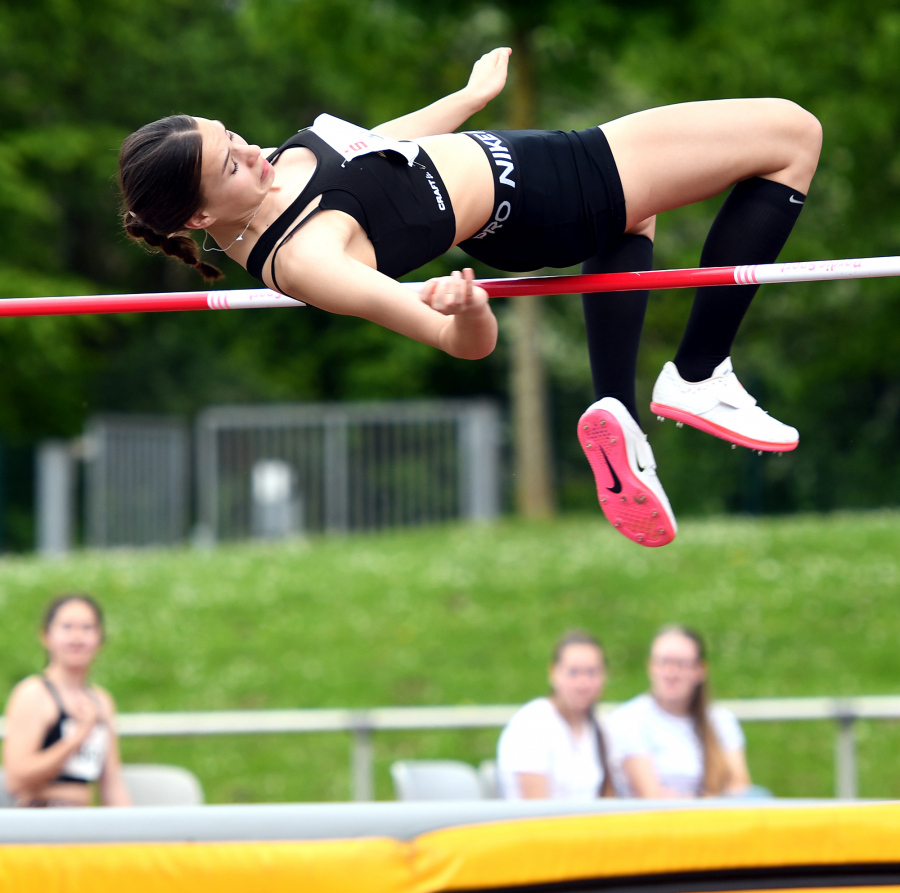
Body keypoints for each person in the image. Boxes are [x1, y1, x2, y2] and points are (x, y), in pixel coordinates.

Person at [117, 46, 822, 548]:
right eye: (231, 163)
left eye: (233, 135)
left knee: (637, 213)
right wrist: (470, 311)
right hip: (547, 192)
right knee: (792, 134)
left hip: (521, 178)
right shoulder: (307, 259)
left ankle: (619, 412)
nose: (254, 152)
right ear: (200, 220)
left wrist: (468, 99)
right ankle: (699, 373)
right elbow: (459, 343)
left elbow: (372, 154)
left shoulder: (261, 190)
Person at [3, 595, 130, 807]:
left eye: (87, 628)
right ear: (46, 636)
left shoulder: (101, 701)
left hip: (81, 821)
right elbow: (16, 779)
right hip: (40, 819)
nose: (77, 637)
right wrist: (77, 737)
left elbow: (112, 784)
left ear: (100, 639)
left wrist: (134, 831)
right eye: (67, 627)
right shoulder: (33, 694)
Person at [606, 625, 751, 798]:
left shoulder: (720, 719)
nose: (671, 672)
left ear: (700, 670)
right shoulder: (628, 719)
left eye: (682, 664)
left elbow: (740, 786)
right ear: (650, 667)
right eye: (663, 662)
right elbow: (650, 796)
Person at [496, 630, 614, 800]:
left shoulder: (601, 725)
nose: (583, 683)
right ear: (553, 673)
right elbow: (536, 810)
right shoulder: (531, 724)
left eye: (592, 672)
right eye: (573, 672)